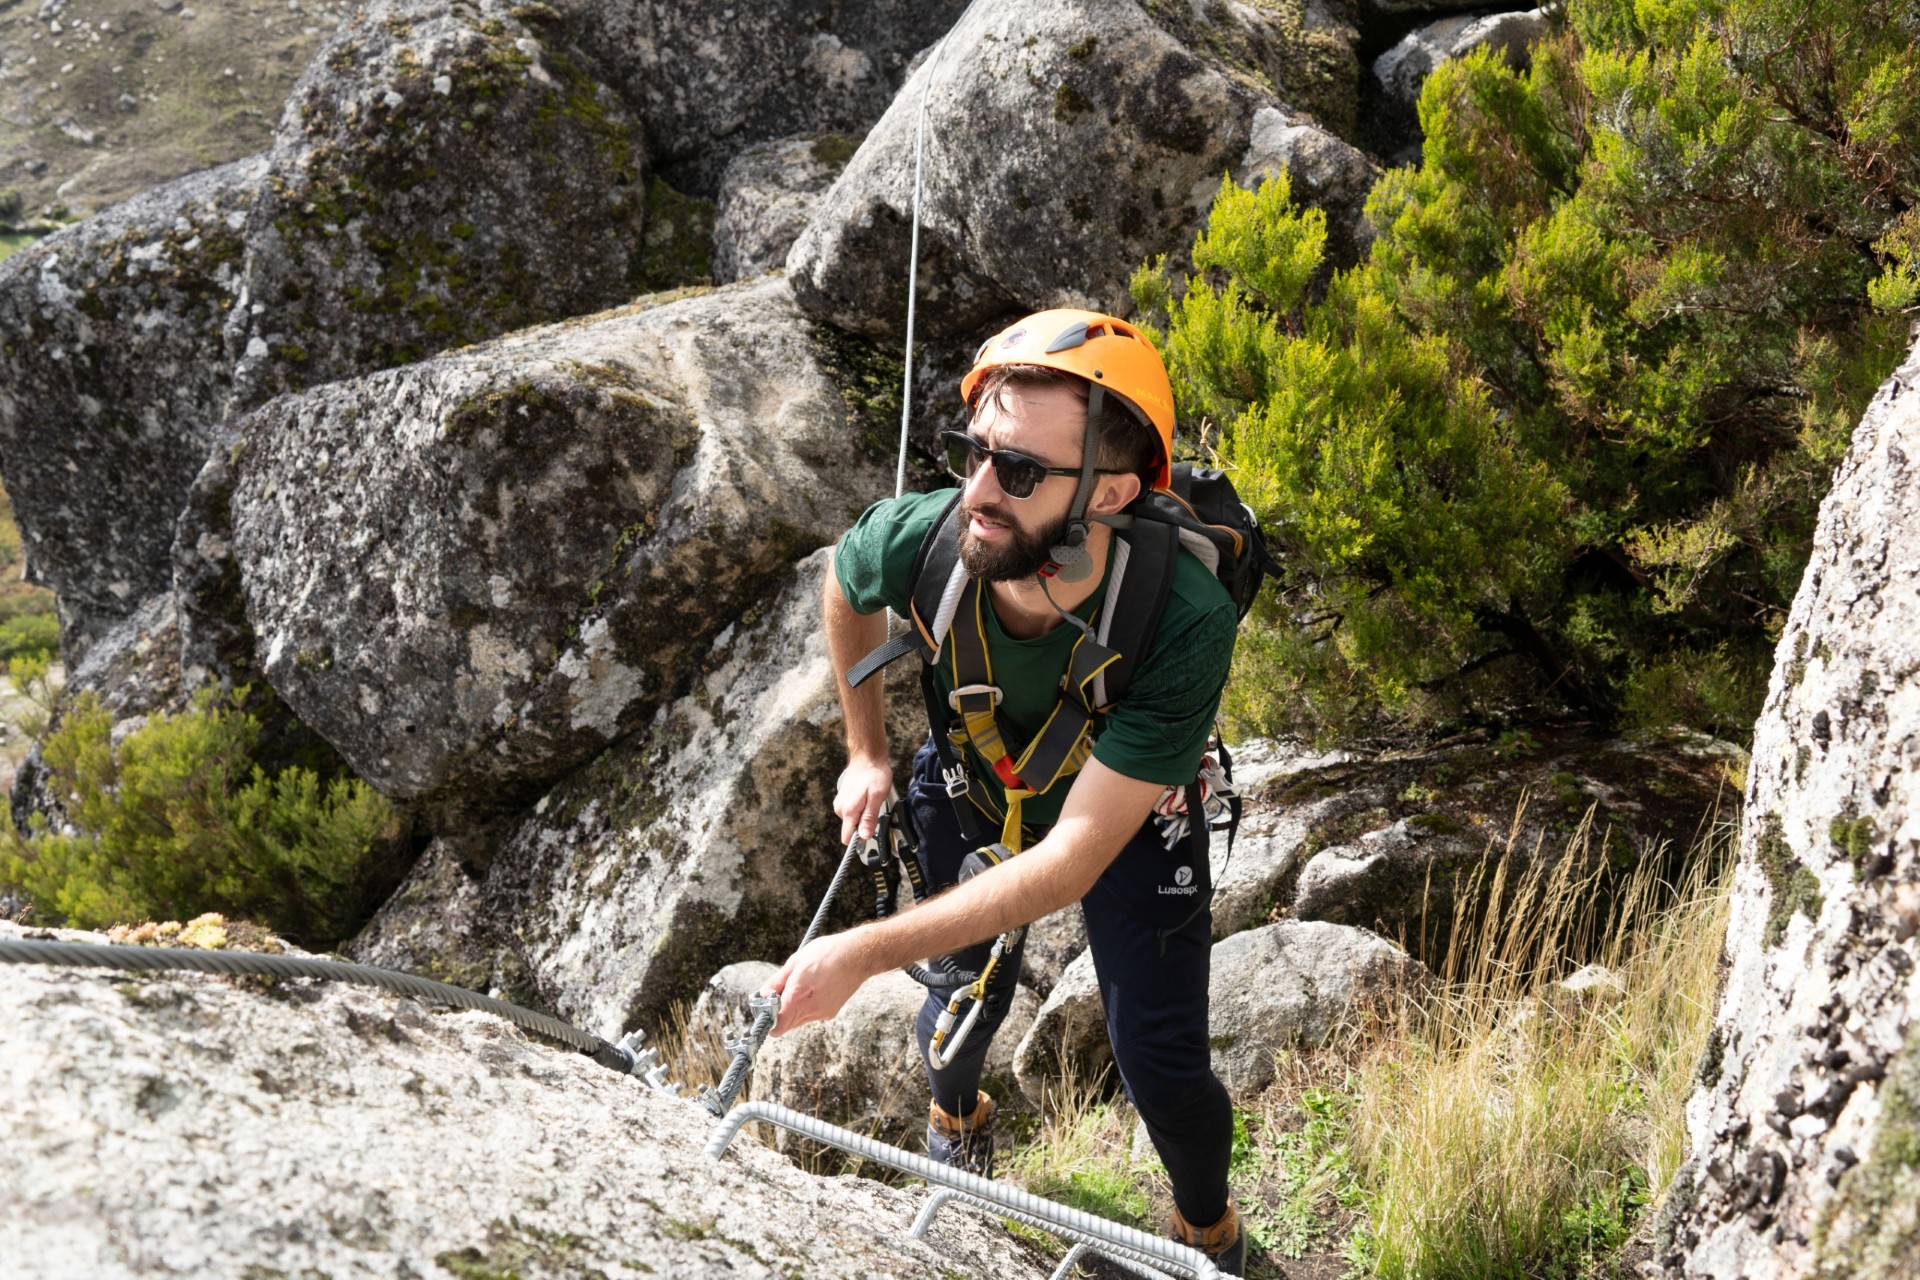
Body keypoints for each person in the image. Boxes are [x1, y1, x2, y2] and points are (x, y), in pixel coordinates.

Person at [767, 308, 1245, 1274]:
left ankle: (1208, 1231)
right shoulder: (925, 541)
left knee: (1160, 1060)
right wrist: (866, 752)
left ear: (1110, 492)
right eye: (973, 452)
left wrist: (859, 951)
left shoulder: (1182, 616)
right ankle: (958, 1118)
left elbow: (1069, 863)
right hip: (972, 787)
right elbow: (847, 581)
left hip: (1124, 820)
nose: (977, 491)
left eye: (1019, 471)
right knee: (956, 1005)